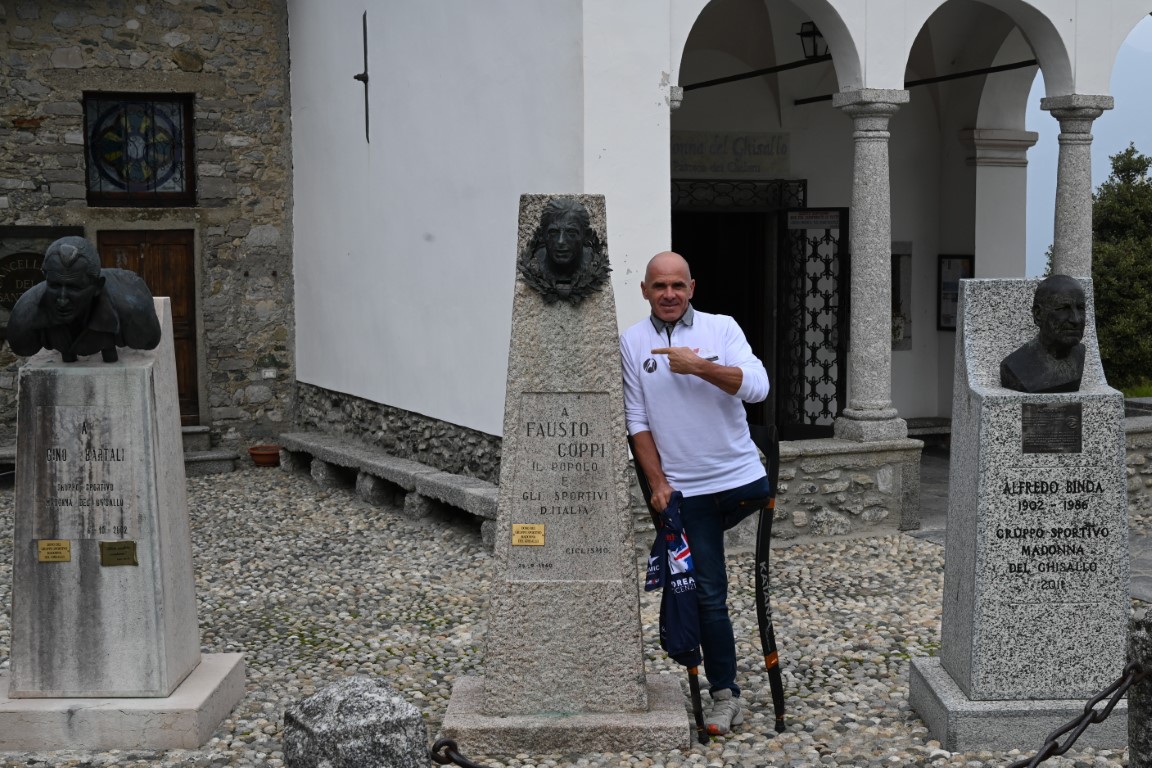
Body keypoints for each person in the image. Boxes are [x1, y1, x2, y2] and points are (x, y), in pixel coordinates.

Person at [620, 251, 770, 736]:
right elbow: (636, 420)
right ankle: (726, 695)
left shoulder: (721, 328)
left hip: (742, 481)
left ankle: (725, 681)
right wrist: (658, 484)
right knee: (707, 591)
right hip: (689, 492)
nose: (669, 294)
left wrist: (700, 367)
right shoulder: (632, 341)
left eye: (677, 285)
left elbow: (758, 388)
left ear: (692, 288)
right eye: (659, 286)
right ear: (645, 290)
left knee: (710, 582)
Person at [7, 236, 161, 363]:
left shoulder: (135, 311)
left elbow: (149, 340)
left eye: (74, 288)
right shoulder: (24, 317)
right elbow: (21, 347)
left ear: (97, 287)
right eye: (54, 285)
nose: (62, 300)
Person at [1000, 274, 1086, 393]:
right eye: (1063, 309)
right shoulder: (1015, 366)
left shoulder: (1080, 354)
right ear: (1038, 314)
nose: (1076, 319)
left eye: (1080, 308)